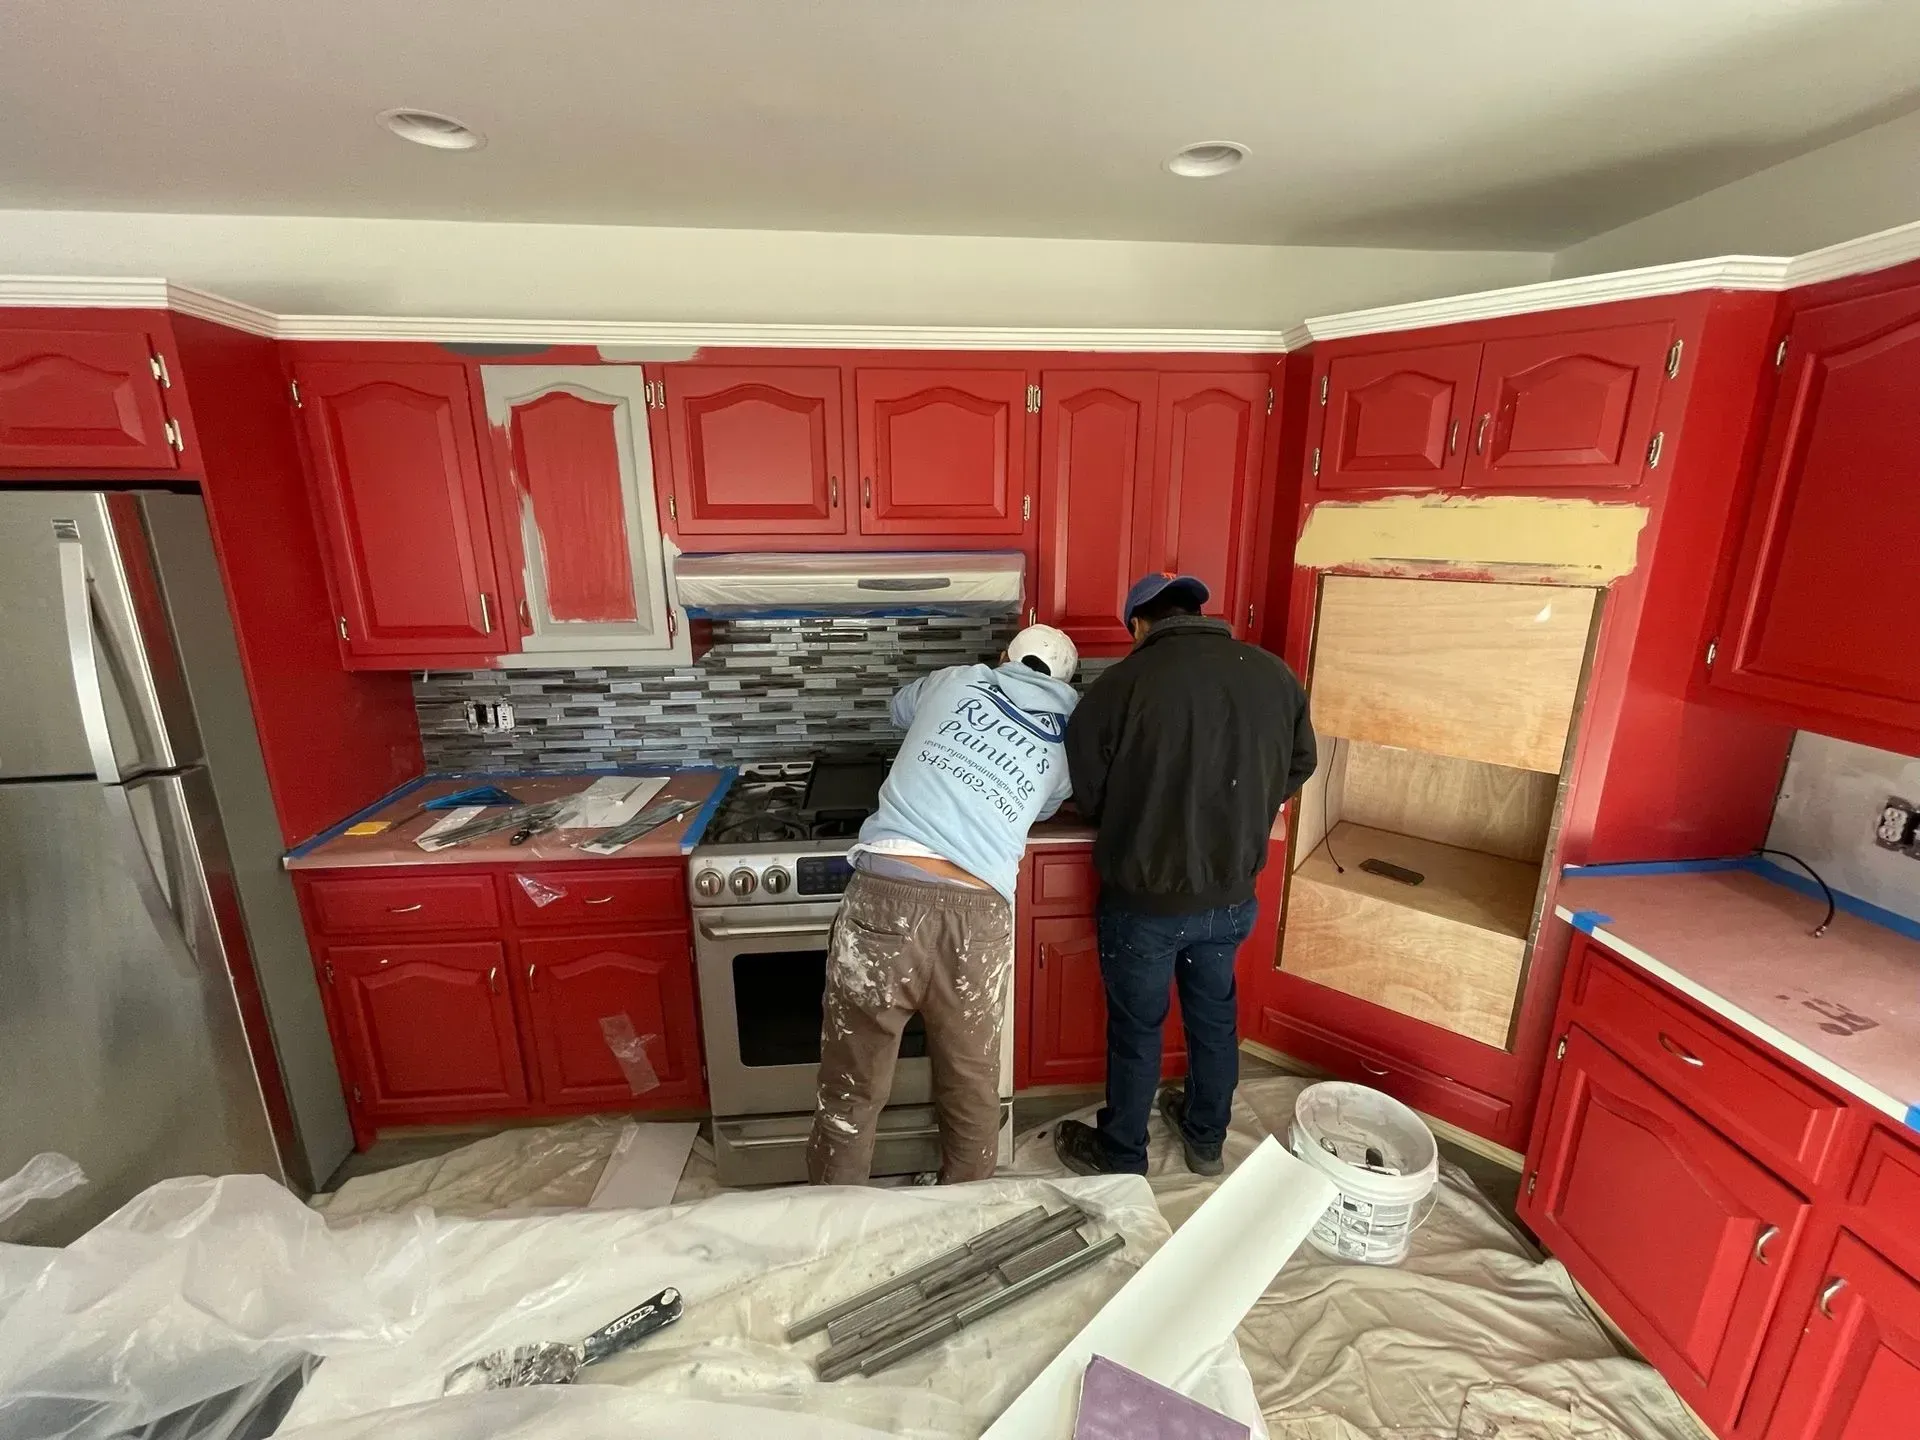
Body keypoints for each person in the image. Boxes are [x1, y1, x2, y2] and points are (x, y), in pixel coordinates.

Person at [1053, 573, 1315, 1178]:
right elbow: (1301, 762)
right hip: (1229, 899)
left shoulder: (1119, 685)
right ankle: (1205, 1140)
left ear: (1138, 624)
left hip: (1143, 901)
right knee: (1213, 1016)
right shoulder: (1273, 674)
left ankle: (1123, 1155)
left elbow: (1088, 795)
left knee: (1138, 1028)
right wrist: (1244, 806)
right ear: (1200, 611)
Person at [808, 624, 1081, 1186]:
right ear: (1064, 683)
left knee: (852, 1086)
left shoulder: (956, 680)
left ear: (1005, 655)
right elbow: (1046, 808)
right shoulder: (1066, 742)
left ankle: (829, 1222)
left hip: (885, 897)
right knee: (972, 1083)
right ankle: (965, 1220)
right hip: (977, 913)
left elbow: (897, 710)